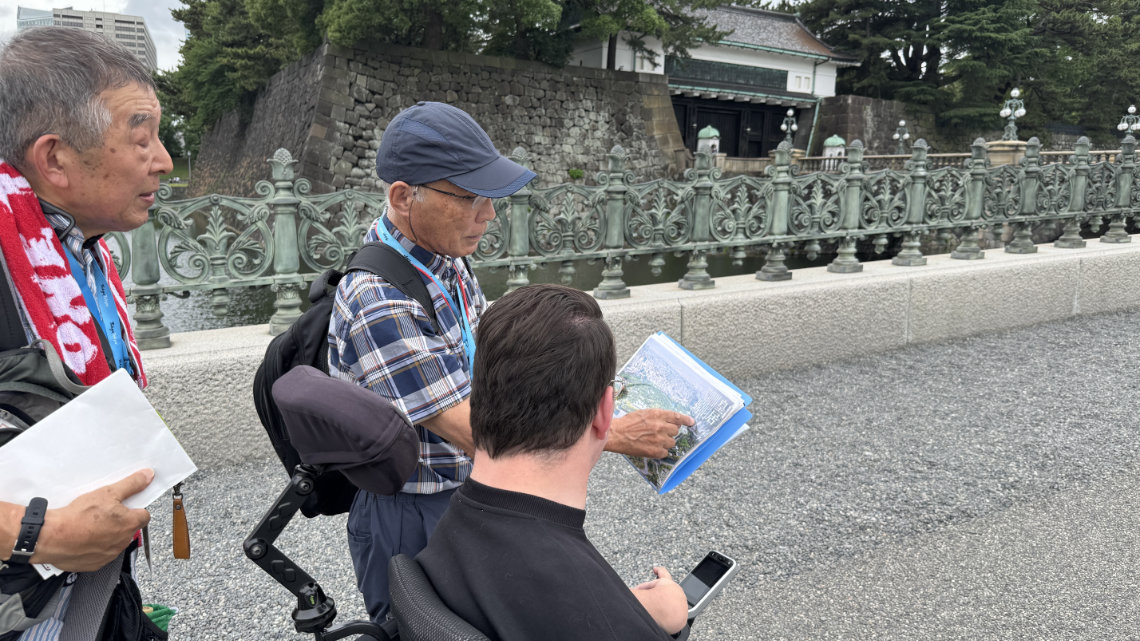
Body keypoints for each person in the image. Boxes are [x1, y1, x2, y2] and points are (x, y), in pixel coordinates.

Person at [327, 101, 695, 620]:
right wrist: (609, 432)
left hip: (470, 489)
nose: (489, 213)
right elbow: (468, 429)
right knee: (430, 629)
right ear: (404, 197)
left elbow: (492, 362)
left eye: (491, 196)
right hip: (414, 506)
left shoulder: (444, 259)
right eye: (471, 196)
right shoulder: (378, 299)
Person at [0, 27, 172, 638]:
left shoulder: (79, 250)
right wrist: (33, 532)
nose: (164, 160)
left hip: (87, 588)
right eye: (141, 136)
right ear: (54, 159)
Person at [417, 284, 689, 640]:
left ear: (481, 392)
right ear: (606, 411)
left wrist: (622, 608)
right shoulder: (595, 611)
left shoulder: (451, 527)